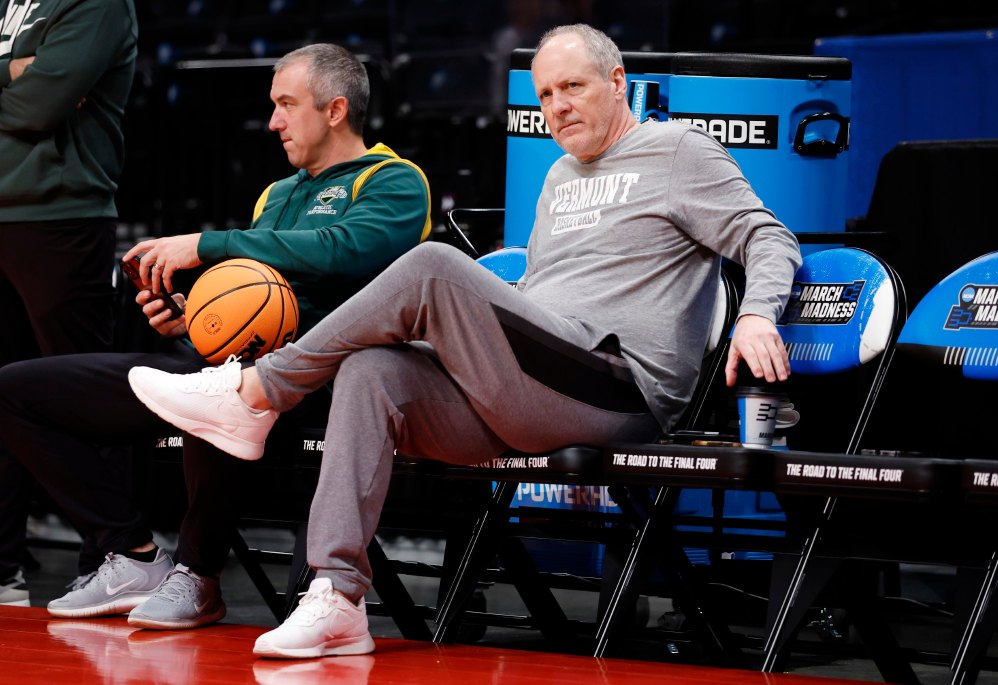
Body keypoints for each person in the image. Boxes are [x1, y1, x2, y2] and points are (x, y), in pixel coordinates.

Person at [128, 24, 801, 659]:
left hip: (616, 384)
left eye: (574, 87)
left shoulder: (678, 151)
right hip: (533, 386)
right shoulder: (561, 178)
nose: (557, 107)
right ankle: (336, 596)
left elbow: (766, 236)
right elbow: (542, 297)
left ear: (617, 80)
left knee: (431, 265)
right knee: (372, 368)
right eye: (544, 94)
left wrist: (756, 315)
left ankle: (257, 390)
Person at [0, 43, 430, 627]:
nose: (273, 120)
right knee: (17, 391)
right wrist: (196, 317)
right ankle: (129, 552)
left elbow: (343, 251)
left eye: (286, 104)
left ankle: (198, 573)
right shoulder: (276, 195)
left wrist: (207, 244)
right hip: (234, 368)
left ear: (334, 109)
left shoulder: (394, 181)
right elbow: (258, 295)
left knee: (224, 391)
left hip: (323, 382)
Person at [0, 0, 138, 607]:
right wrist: (16, 69)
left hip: (62, 216)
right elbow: (30, 91)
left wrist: (29, 79)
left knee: (83, 391)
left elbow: (37, 107)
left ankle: (121, 556)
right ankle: (2, 569)